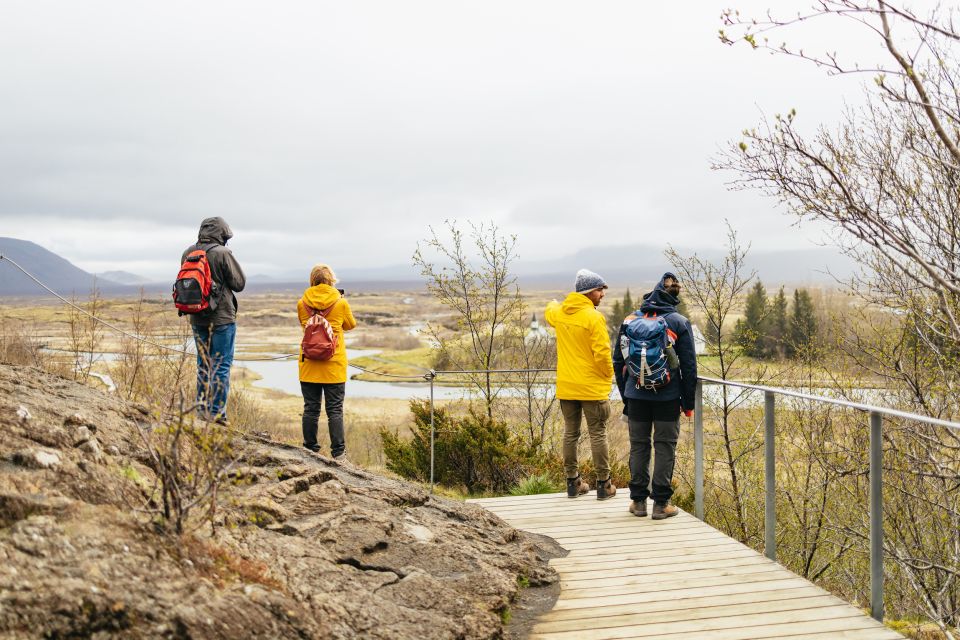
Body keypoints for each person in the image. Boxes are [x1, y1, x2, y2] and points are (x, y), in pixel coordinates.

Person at [613, 272, 697, 520]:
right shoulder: (678, 322)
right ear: (674, 297)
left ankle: (638, 502)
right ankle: (661, 504)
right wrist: (688, 403)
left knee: (639, 447)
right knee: (664, 447)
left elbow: (619, 361)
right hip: (667, 397)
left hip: (636, 395)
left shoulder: (630, 320)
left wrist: (627, 395)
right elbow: (689, 366)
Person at [545, 269, 617, 500]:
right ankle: (604, 485)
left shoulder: (561, 313)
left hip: (567, 386)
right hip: (591, 387)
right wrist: (609, 375)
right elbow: (603, 354)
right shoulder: (593, 318)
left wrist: (554, 302)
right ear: (588, 292)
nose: (603, 294)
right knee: (598, 433)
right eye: (599, 289)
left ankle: (572, 483)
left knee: (570, 434)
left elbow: (550, 310)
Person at [181, 217, 246, 424]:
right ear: (222, 233)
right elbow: (239, 283)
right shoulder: (223, 253)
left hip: (196, 317)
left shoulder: (188, 253)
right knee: (221, 365)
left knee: (203, 364)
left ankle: (201, 409)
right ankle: (217, 414)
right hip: (222, 318)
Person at [297, 264, 357, 460]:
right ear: (331, 280)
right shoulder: (341, 303)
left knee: (311, 408)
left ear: (312, 280)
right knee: (335, 410)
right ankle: (339, 454)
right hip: (334, 366)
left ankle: (309, 449)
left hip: (308, 365)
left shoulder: (302, 303)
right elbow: (350, 325)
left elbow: (303, 324)